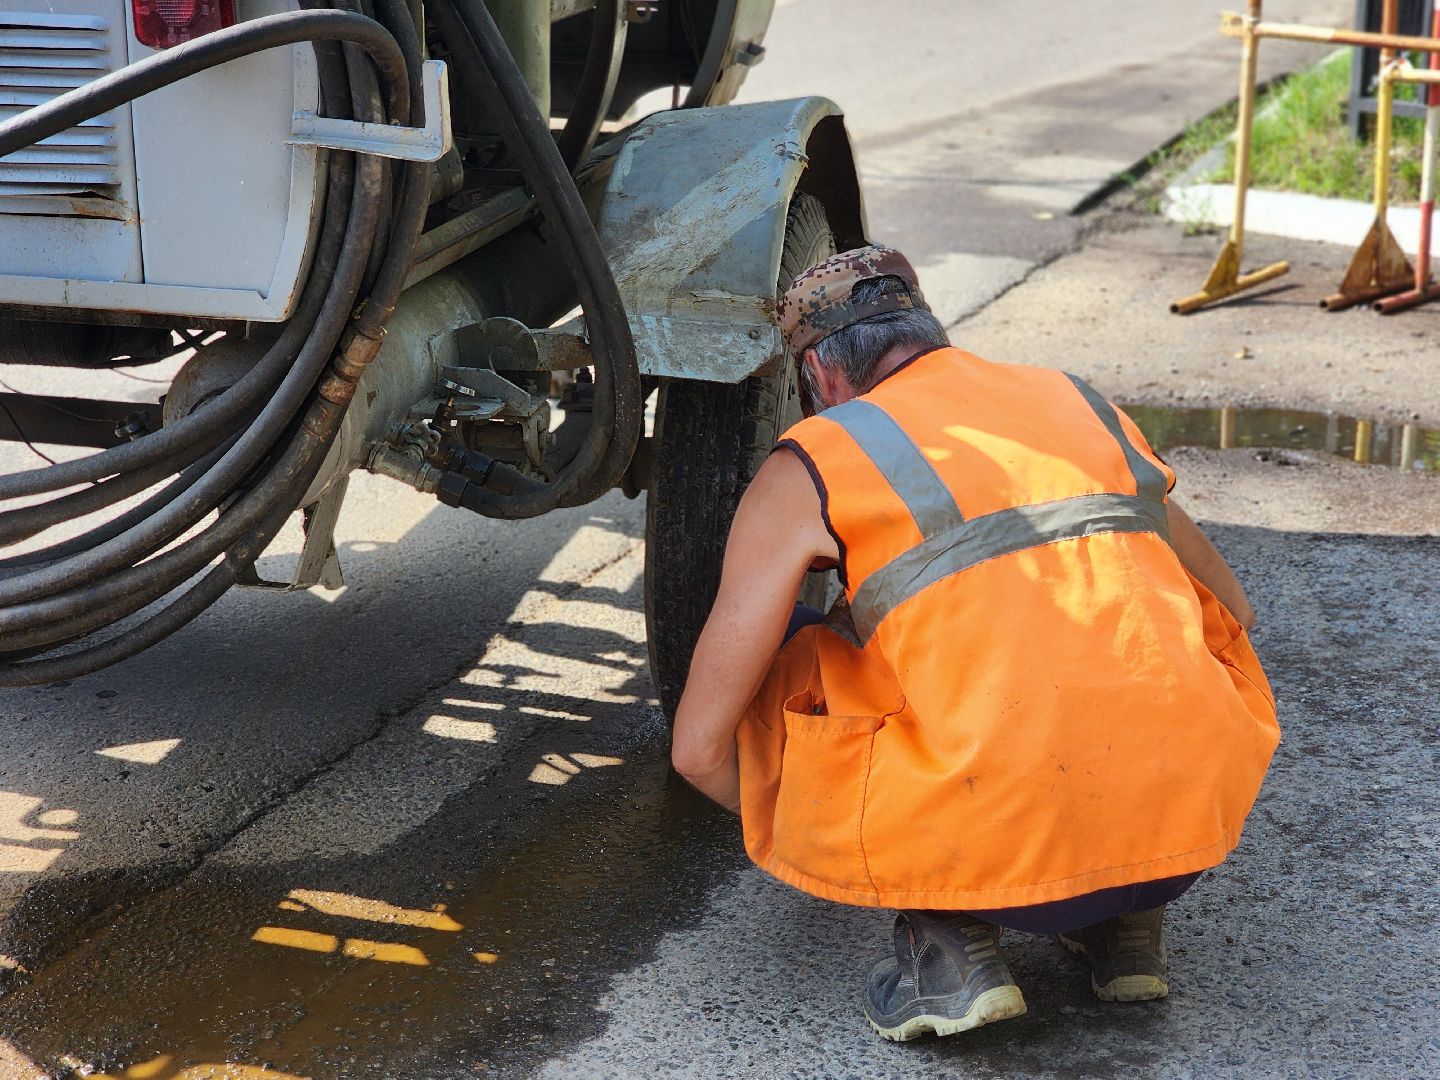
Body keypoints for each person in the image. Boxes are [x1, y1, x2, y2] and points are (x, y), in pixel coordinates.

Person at [669, 245, 1279, 1042]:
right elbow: (1233, 608)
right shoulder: (1075, 400)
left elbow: (697, 749)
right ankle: (1126, 927)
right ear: (929, 331)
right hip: (1183, 829)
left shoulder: (816, 460)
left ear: (819, 375)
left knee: (791, 652)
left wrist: (827, 828)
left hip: (992, 853)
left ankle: (949, 938)